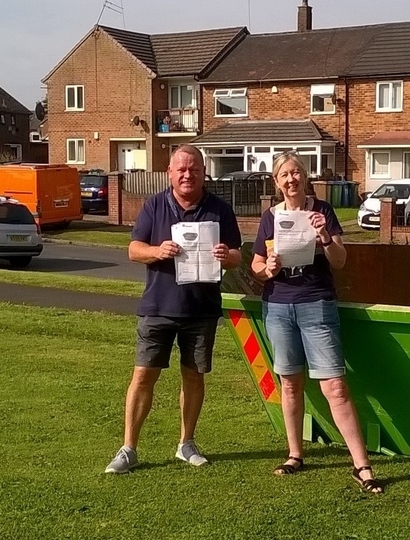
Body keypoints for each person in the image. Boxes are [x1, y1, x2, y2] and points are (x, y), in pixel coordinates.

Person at [250, 152, 383, 494]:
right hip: (279, 306)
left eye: (296, 173)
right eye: (284, 175)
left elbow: (339, 261)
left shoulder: (321, 211)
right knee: (290, 384)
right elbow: (256, 264)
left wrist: (325, 237)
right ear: (276, 182)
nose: (291, 179)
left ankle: (362, 466)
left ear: (304, 177)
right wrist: (269, 270)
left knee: (335, 387)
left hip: (316, 304)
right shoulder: (270, 217)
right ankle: (295, 455)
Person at [105, 144, 242, 474]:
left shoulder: (220, 209)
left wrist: (228, 255)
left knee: (193, 377)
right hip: (158, 307)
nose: (187, 174)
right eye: (181, 168)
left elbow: (238, 256)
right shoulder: (154, 205)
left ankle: (186, 443)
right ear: (169, 173)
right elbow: (134, 250)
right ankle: (128, 449)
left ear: (203, 172)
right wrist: (158, 250)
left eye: (194, 168)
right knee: (143, 376)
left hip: (201, 309)